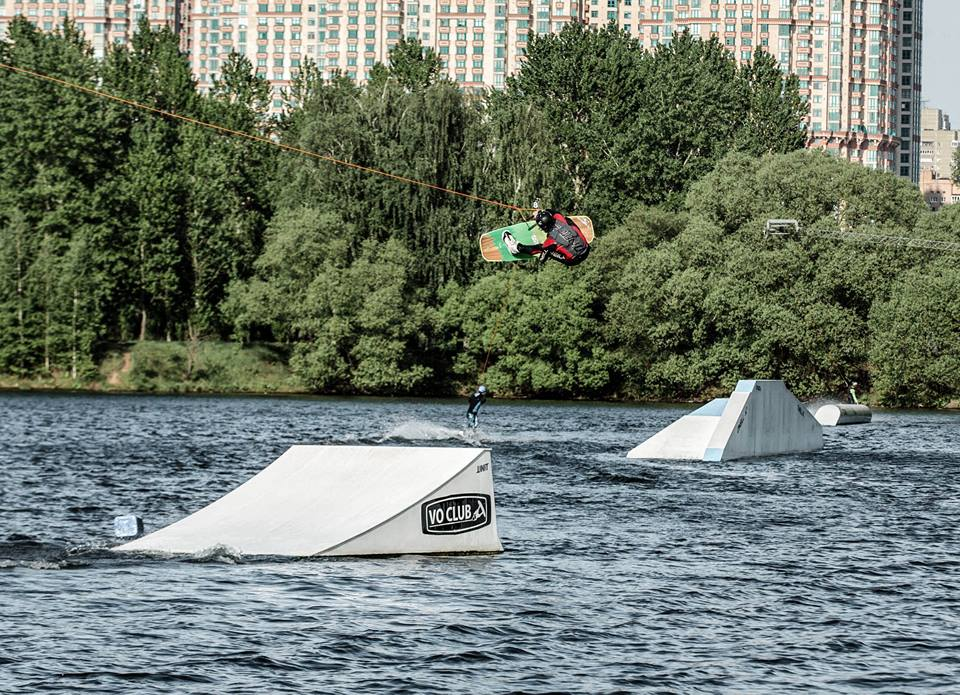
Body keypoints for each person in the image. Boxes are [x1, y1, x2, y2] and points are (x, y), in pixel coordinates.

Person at [501, 209, 591, 266]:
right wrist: (540, 212)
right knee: (569, 222)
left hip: (573, 260)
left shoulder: (550, 241)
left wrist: (544, 253)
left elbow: (541, 260)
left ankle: (516, 248)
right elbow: (553, 212)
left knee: (542, 249)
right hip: (586, 249)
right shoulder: (559, 218)